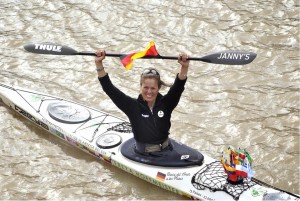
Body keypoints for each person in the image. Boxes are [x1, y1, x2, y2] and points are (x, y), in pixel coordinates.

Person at [95, 50, 190, 154]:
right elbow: (109, 88)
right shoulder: (131, 106)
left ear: (159, 88)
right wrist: (99, 63)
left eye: (153, 88)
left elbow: (178, 87)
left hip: (167, 150)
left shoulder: (166, 103)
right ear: (140, 87)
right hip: (143, 154)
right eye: (146, 87)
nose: (149, 92)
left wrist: (184, 67)